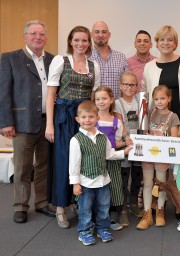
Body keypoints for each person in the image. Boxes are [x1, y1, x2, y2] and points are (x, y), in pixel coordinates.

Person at [0, 20, 55, 223]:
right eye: (33, 34)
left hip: (48, 122)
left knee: (44, 165)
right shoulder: (10, 58)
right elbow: (3, 92)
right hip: (22, 122)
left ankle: (41, 202)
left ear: (46, 38)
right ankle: (21, 206)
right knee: (23, 167)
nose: (38, 37)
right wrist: (5, 121)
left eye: (41, 34)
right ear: (25, 37)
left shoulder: (53, 60)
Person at [45, 25, 101, 229]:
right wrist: (49, 124)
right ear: (70, 41)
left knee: (84, 160)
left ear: (89, 43)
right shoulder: (61, 60)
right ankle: (61, 206)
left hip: (85, 118)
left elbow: (94, 97)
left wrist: (95, 121)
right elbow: (51, 93)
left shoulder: (94, 65)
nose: (81, 44)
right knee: (63, 160)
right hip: (63, 117)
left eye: (85, 40)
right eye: (77, 40)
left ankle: (80, 202)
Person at [69, 101, 131, 246]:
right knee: (85, 209)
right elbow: (74, 164)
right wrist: (75, 183)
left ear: (97, 118)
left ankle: (102, 227)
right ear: (78, 119)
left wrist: (124, 152)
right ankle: (84, 230)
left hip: (103, 180)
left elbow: (109, 155)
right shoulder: (76, 140)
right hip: (86, 182)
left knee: (104, 207)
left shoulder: (103, 137)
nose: (87, 120)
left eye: (91, 117)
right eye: (84, 117)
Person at [137, 85, 180, 230]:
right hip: (148, 155)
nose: (159, 101)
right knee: (148, 183)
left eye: (163, 98)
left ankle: (160, 211)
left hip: (162, 156)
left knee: (160, 184)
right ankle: (147, 213)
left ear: (169, 99)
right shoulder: (148, 114)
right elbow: (142, 131)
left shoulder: (173, 116)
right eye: (156, 99)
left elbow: (174, 139)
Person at [141, 25, 180, 120]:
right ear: (157, 43)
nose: (165, 43)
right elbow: (144, 97)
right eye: (162, 39)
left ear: (175, 44)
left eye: (170, 40)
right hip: (157, 122)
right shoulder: (149, 67)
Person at [94, 86, 126, 231]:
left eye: (104, 98)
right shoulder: (92, 120)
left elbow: (118, 141)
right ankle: (95, 217)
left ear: (111, 99)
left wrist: (127, 143)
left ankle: (110, 217)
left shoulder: (116, 121)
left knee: (112, 187)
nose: (101, 102)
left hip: (112, 160)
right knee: (97, 187)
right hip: (95, 160)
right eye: (98, 99)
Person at [113, 71, 144, 225]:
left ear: (137, 87)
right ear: (120, 86)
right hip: (125, 144)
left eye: (132, 84)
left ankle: (133, 203)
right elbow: (120, 124)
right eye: (126, 84)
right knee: (123, 176)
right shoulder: (117, 103)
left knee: (137, 174)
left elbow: (144, 121)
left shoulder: (140, 101)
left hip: (139, 144)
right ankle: (122, 208)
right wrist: (126, 138)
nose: (129, 87)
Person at [90, 20, 129, 98]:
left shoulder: (121, 57)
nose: (100, 35)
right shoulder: (85, 58)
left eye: (104, 32)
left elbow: (128, 84)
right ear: (91, 34)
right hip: (93, 108)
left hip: (117, 108)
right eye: (97, 32)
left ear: (109, 35)